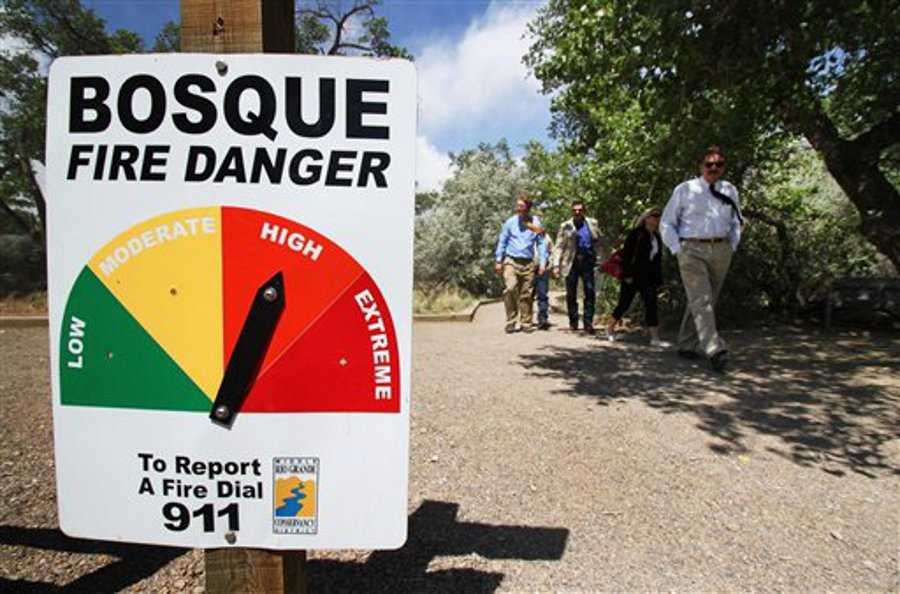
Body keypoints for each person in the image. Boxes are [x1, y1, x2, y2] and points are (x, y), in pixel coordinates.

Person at [660, 146, 742, 372]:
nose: (713, 168)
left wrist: (732, 245)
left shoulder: (729, 189)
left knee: (705, 300)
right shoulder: (686, 190)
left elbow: (737, 221)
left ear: (724, 167)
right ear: (701, 166)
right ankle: (715, 349)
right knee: (702, 300)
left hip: (721, 249)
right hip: (691, 249)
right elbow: (666, 222)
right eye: (709, 164)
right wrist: (678, 249)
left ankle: (687, 343)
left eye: (719, 165)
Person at [606, 207, 671, 347]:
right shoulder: (637, 234)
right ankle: (610, 329)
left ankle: (655, 338)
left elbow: (657, 261)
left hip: (649, 278)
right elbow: (627, 255)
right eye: (654, 215)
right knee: (624, 304)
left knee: (651, 305)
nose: (657, 218)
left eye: (659, 216)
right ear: (646, 218)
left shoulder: (657, 237)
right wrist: (627, 274)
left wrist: (659, 279)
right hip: (633, 276)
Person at [494, 196, 548, 333]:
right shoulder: (510, 222)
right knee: (510, 288)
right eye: (518, 206)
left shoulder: (536, 223)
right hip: (511, 261)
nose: (519, 208)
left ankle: (526, 322)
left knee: (527, 293)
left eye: (522, 206)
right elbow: (502, 241)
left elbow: (542, 244)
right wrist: (498, 260)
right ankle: (511, 320)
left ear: (528, 208)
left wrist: (542, 263)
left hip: (528, 263)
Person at [552, 201, 602, 334]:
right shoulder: (566, 226)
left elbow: (598, 242)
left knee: (590, 292)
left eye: (579, 210)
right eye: (574, 210)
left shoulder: (592, 223)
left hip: (588, 261)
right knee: (571, 293)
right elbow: (559, 245)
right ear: (571, 211)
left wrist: (600, 259)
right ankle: (573, 322)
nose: (577, 212)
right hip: (571, 262)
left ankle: (588, 323)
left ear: (584, 210)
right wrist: (556, 264)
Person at [534, 235, 554, 330]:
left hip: (543, 268)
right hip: (529, 267)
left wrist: (550, 264)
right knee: (527, 294)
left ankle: (543, 318)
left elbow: (552, 250)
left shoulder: (546, 237)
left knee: (542, 294)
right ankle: (526, 319)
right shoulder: (525, 235)